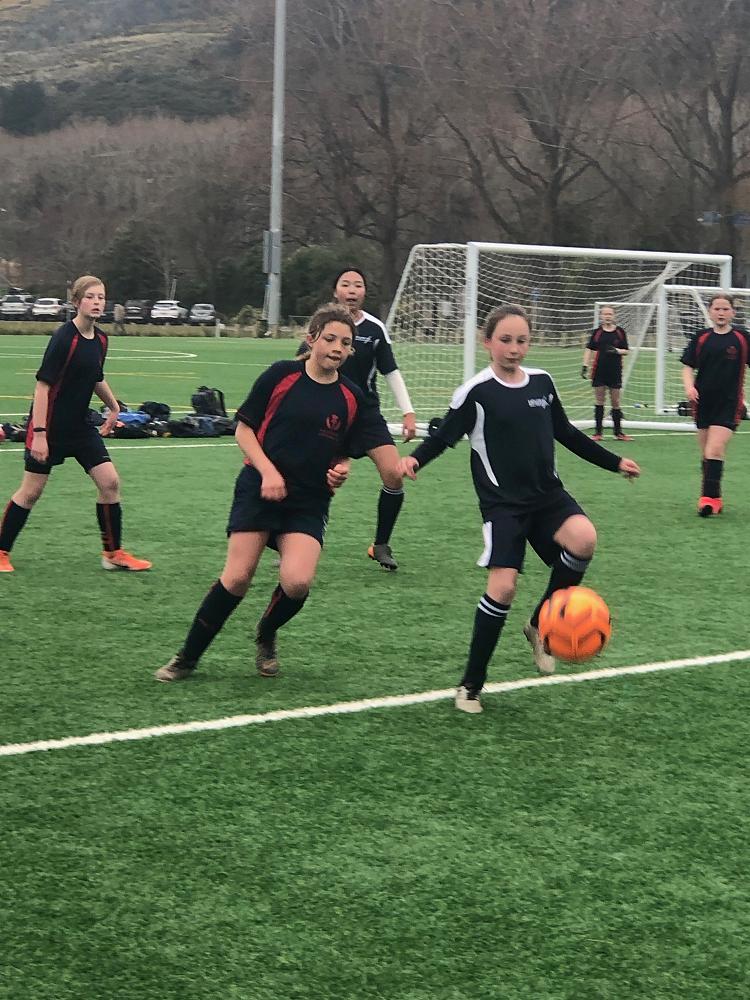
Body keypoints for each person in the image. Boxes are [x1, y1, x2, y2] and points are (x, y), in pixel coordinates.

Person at [399, 305, 640, 714]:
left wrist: (614, 462)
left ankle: (540, 623)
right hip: (504, 506)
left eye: (522, 340)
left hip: (548, 496)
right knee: (503, 588)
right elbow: (444, 437)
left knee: (584, 539)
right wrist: (415, 460)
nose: (514, 349)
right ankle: (470, 685)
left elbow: (566, 433)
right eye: (505, 340)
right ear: (487, 341)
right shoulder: (476, 392)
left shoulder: (542, 383)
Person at [155, 303, 385, 682]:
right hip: (259, 488)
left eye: (345, 343)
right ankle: (187, 657)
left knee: (297, 583)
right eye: (329, 339)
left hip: (308, 499)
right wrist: (267, 471)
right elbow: (244, 430)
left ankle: (266, 632)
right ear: (311, 339)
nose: (337, 348)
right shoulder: (281, 375)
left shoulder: (351, 396)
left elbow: (344, 450)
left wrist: (341, 470)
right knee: (237, 578)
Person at [0, 275, 152, 573]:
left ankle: (112, 554)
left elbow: (95, 376)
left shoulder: (101, 339)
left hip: (80, 427)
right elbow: (42, 387)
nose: (97, 302)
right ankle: (1, 550)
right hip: (49, 427)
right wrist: (39, 434)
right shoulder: (63, 338)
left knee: (110, 483)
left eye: (101, 297)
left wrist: (114, 407)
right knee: (30, 492)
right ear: (76, 302)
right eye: (90, 297)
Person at [299, 268, 416, 571]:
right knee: (312, 477)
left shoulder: (375, 329)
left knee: (393, 474)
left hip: (365, 415)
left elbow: (390, 371)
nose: (352, 290)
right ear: (335, 291)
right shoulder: (322, 325)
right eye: (346, 284)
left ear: (364, 292)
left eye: (358, 285)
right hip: (327, 412)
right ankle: (293, 540)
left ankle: (381, 545)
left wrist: (408, 411)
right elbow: (300, 365)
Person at [680, 293, 750, 517]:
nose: (721, 313)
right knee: (707, 455)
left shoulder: (742, 338)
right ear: (710, 312)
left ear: (733, 313)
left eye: (725, 309)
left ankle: (707, 501)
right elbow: (687, 367)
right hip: (702, 403)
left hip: (730, 403)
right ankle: (713, 497)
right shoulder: (701, 337)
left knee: (715, 449)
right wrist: (689, 388)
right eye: (717, 309)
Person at [582, 305, 632, 441]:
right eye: (605, 314)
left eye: (610, 314)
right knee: (599, 400)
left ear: (614, 316)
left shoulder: (620, 332)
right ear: (601, 316)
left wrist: (616, 351)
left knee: (616, 401)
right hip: (599, 371)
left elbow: (626, 350)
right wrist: (585, 365)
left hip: (615, 371)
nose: (608, 316)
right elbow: (589, 349)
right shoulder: (597, 333)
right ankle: (598, 433)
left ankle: (618, 433)